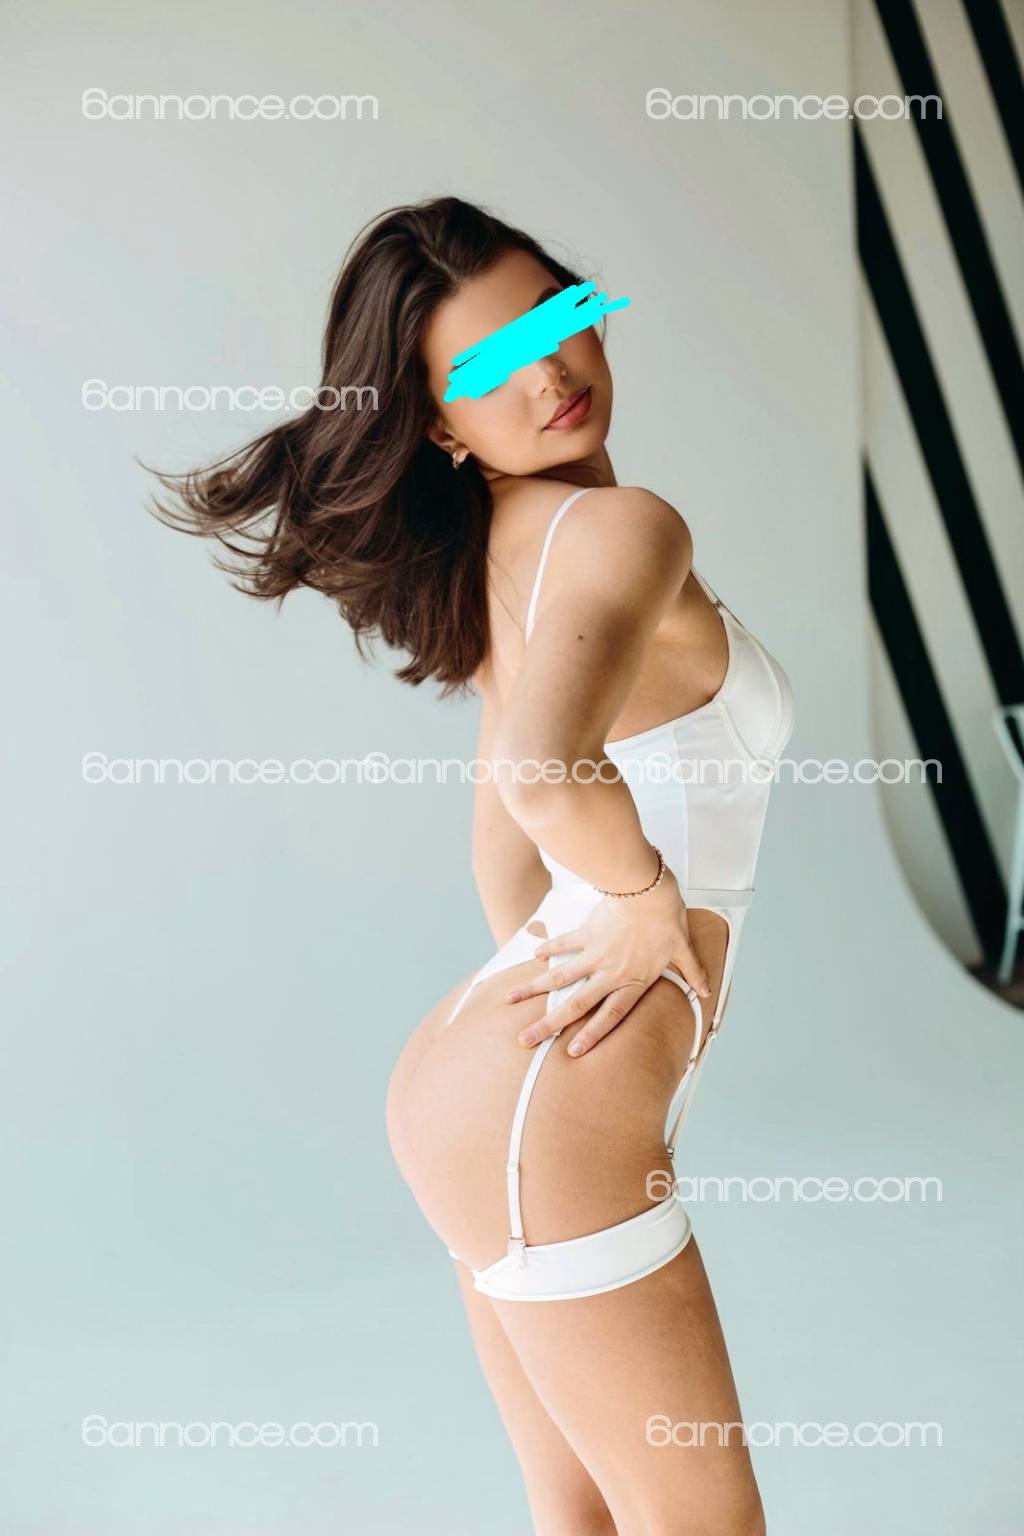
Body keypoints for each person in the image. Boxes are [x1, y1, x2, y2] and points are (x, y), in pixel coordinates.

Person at [150, 195, 794, 1536]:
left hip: (485, 1099)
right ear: (440, 425)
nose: (549, 375)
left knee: (579, 1517)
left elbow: (504, 831)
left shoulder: (510, 550)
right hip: (540, 1121)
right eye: (489, 367)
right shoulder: (625, 529)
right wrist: (641, 907)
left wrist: (550, 996)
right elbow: (542, 778)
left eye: (557, 319)